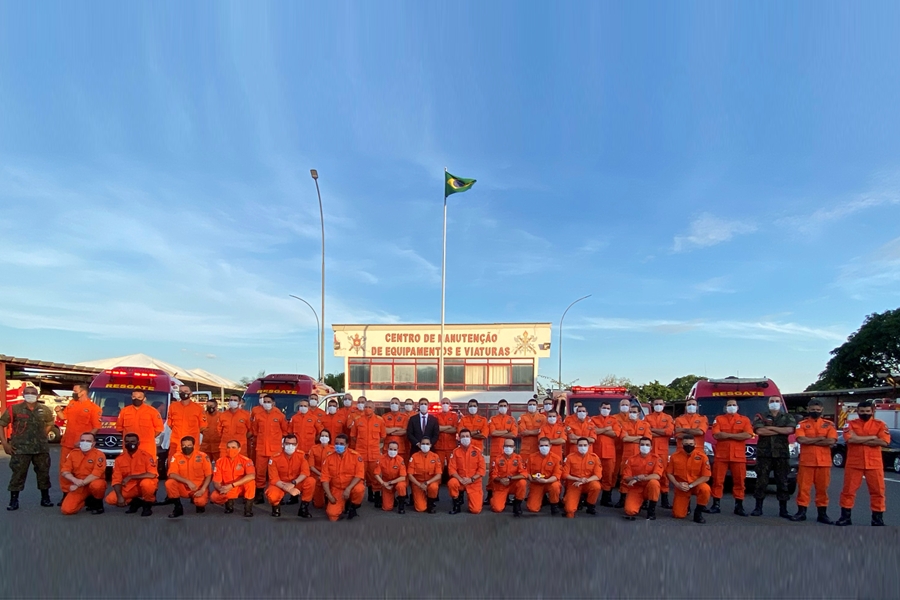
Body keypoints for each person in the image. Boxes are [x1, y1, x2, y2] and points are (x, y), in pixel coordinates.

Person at [1, 385, 56, 510]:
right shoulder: (14, 409)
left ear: (38, 395)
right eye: (28, 392)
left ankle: (45, 498)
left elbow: (50, 423)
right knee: (18, 474)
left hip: (41, 449)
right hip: (20, 449)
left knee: (43, 474)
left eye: (33, 393)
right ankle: (14, 501)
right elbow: (2, 424)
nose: (30, 395)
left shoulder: (44, 409)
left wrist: (42, 435)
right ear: (23, 395)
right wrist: (5, 443)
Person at [837, 400, 890, 526]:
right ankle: (845, 517)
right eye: (862, 411)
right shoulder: (850, 424)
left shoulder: (880, 424)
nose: (864, 413)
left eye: (867, 411)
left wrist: (858, 439)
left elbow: (884, 442)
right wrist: (873, 437)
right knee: (848, 491)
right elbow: (849, 439)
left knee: (878, 492)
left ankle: (877, 519)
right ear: (857, 412)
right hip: (854, 463)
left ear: (872, 411)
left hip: (874, 463)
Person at [791, 399, 838, 524]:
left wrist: (811, 439)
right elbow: (801, 439)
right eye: (813, 410)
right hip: (807, 462)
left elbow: (831, 441)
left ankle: (822, 514)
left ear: (822, 410)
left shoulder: (829, 424)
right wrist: (821, 439)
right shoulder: (802, 424)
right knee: (803, 489)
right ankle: (801, 512)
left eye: (817, 410)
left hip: (824, 462)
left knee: (822, 489)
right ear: (808, 409)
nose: (815, 412)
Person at [55, 384, 101, 506]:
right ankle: (66, 494)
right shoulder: (72, 403)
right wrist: (58, 411)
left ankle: (87, 496)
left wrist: (84, 441)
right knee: (64, 470)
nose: (73, 393)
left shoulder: (93, 408)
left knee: (84, 470)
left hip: (83, 446)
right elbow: (64, 417)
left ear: (83, 392)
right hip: (67, 444)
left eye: (75, 391)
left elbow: (96, 427)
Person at [751, 396, 797, 518]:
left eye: (777, 401)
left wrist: (770, 428)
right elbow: (760, 431)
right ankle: (758, 508)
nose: (775, 403)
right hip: (764, 454)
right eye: (772, 401)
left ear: (781, 403)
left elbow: (790, 430)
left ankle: (784, 510)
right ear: (768, 403)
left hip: (781, 454)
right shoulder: (760, 416)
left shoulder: (787, 416)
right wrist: (780, 430)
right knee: (761, 481)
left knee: (783, 481)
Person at [709, 399, 754, 516]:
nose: (732, 407)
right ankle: (716, 504)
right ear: (726, 407)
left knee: (740, 482)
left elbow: (748, 434)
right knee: (717, 481)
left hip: (738, 456)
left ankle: (739, 506)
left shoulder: (744, 419)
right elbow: (716, 434)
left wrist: (727, 435)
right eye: (729, 405)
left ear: (737, 407)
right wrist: (737, 436)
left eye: (734, 405)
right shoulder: (719, 419)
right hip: (721, 455)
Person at [105, 433, 158, 516]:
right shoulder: (119, 459)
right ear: (124, 443)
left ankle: (147, 505)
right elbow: (116, 479)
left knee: (147, 484)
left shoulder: (146, 456)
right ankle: (136, 502)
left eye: (133, 441)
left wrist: (130, 477)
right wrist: (120, 497)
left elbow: (152, 474)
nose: (130, 444)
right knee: (110, 499)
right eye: (127, 442)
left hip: (143, 485)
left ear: (138, 443)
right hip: (129, 487)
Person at [250, 394, 288, 503]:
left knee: (276, 473)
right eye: (264, 401)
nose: (266, 403)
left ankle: (278, 494)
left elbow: (285, 430)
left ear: (273, 403)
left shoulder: (280, 415)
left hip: (275, 450)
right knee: (260, 472)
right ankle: (259, 494)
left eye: (268, 402)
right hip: (261, 449)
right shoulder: (258, 415)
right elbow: (255, 430)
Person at [266, 434, 315, 518]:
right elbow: (273, 478)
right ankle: (276, 508)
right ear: (283, 444)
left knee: (311, 481)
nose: (290, 446)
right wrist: (288, 488)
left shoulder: (301, 455)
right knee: (272, 494)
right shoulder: (274, 457)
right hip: (280, 484)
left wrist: (294, 483)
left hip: (295, 482)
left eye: (293, 444)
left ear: (297, 445)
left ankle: (303, 508)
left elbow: (305, 472)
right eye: (287, 443)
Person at [164, 435, 212, 518]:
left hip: (198, 487)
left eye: (189, 445)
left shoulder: (203, 456)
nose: (186, 448)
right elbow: (171, 474)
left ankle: (199, 504)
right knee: (169, 483)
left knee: (200, 502)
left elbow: (209, 474)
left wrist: (203, 489)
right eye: (184, 446)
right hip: (183, 486)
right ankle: (178, 507)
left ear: (194, 445)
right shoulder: (176, 456)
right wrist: (187, 481)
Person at [59, 432, 107, 516]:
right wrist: (74, 480)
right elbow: (65, 471)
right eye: (82, 440)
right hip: (79, 483)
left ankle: (98, 504)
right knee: (66, 510)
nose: (85, 443)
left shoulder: (99, 455)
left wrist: (78, 484)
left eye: (88, 441)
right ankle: (86, 501)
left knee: (98, 485)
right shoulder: (73, 454)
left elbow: (96, 474)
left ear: (94, 443)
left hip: (91, 482)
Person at [320, 433, 365, 521]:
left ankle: (353, 506)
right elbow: (324, 478)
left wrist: (348, 489)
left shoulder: (356, 456)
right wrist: (329, 496)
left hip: (351, 487)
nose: (338, 446)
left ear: (347, 445)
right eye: (336, 443)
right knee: (332, 516)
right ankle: (342, 505)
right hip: (337, 488)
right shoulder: (329, 458)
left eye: (341, 444)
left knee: (359, 489)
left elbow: (359, 475)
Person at [666, 438, 711, 524]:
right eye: (686, 444)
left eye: (691, 444)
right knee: (678, 515)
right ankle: (687, 504)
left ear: (695, 445)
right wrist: (677, 484)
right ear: (682, 445)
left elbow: (706, 476)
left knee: (705, 489)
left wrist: (691, 485)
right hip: (681, 486)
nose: (688, 446)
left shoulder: (702, 457)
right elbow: (669, 473)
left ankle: (698, 512)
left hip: (696, 484)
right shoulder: (674, 456)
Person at [350, 398, 386, 506]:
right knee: (360, 475)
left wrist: (373, 444)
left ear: (374, 409)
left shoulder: (380, 421)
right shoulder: (357, 420)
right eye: (366, 407)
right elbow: (353, 436)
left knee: (375, 475)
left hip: (374, 453)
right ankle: (357, 498)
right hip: (360, 453)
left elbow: (383, 437)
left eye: (370, 407)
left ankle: (375, 495)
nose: (367, 409)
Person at [615, 404, 652, 508]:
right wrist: (640, 438)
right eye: (630, 412)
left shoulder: (645, 425)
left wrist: (632, 438)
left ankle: (644, 501)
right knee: (624, 476)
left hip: (642, 455)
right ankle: (622, 499)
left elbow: (647, 439)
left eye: (634, 412)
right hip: (627, 455)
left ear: (639, 413)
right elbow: (624, 439)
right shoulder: (625, 425)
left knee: (643, 476)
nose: (631, 414)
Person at [621, 437, 664, 520]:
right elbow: (626, 477)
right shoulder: (631, 459)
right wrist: (636, 478)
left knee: (654, 483)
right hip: (636, 488)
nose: (645, 447)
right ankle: (640, 503)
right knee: (630, 511)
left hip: (649, 487)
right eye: (642, 444)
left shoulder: (656, 459)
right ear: (638, 446)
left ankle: (651, 510)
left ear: (651, 447)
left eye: (647, 445)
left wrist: (639, 478)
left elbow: (657, 475)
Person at [210, 439, 256, 517]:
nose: (230, 450)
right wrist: (221, 489)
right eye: (228, 447)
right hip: (227, 488)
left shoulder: (246, 460)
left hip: (240, 487)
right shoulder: (220, 462)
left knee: (251, 483)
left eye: (233, 447)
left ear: (239, 449)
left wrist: (232, 485)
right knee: (214, 497)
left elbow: (252, 475)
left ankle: (248, 509)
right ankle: (228, 504)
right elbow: (216, 480)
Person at [486, 399, 518, 505]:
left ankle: (507, 495)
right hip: (496, 450)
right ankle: (490, 494)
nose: (502, 407)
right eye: (501, 405)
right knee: (493, 472)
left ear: (507, 407)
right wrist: (506, 431)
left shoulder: (511, 419)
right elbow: (492, 432)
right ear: (497, 407)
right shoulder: (493, 419)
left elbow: (514, 434)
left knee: (508, 471)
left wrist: (500, 433)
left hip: (508, 450)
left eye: (504, 405)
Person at [115, 390, 164, 459]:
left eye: (139, 397)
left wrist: (148, 437)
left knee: (148, 468)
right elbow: (119, 428)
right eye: (134, 397)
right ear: (131, 397)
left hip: (147, 448)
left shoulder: (152, 412)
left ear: (144, 399)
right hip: (129, 447)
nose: (136, 399)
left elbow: (159, 428)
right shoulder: (124, 411)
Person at [644, 398, 674, 509]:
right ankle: (646, 500)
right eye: (656, 404)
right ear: (652, 405)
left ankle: (664, 500)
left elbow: (669, 432)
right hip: (649, 451)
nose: (658, 405)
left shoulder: (668, 418)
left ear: (664, 404)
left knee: (664, 475)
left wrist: (653, 430)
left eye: (660, 404)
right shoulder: (648, 417)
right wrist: (661, 431)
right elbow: (646, 433)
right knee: (648, 473)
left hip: (662, 452)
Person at [167, 386, 207, 468]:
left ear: (191, 393)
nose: (183, 393)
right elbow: (170, 424)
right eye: (181, 391)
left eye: (185, 391)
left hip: (191, 443)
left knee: (193, 465)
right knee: (173, 465)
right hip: (176, 442)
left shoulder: (198, 408)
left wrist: (192, 432)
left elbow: (203, 426)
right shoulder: (173, 407)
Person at [447, 429, 486, 515]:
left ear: (471, 438)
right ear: (459, 438)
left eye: (467, 436)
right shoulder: (455, 452)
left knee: (476, 510)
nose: (465, 438)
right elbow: (451, 469)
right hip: (460, 481)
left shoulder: (477, 451)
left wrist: (471, 479)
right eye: (463, 436)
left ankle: (469, 498)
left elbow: (482, 469)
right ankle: (456, 504)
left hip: (473, 482)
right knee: (452, 483)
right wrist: (460, 479)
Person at [561, 437, 602, 518]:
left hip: (588, 482)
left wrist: (585, 480)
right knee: (569, 512)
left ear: (589, 446)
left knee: (596, 486)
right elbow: (564, 474)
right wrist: (578, 479)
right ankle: (574, 501)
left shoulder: (594, 458)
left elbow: (598, 475)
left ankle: (590, 506)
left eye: (585, 445)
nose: (582, 447)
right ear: (576, 446)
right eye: (580, 445)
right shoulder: (570, 457)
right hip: (574, 484)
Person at [590, 402, 622, 506]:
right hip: (595, 452)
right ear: (600, 408)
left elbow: (615, 433)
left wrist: (600, 431)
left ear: (610, 409)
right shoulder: (593, 419)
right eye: (604, 407)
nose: (606, 409)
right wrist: (606, 429)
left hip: (609, 453)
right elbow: (592, 431)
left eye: (608, 408)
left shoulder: (614, 420)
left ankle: (606, 498)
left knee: (608, 476)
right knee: (592, 474)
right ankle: (589, 498)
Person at [489, 439, 527, 516]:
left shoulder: (518, 458)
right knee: (497, 508)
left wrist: (510, 478)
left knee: (522, 482)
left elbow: (524, 474)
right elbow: (493, 475)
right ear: (503, 447)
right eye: (506, 446)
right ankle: (497, 498)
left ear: (514, 447)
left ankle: (517, 504)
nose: (508, 448)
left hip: (513, 483)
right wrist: (500, 480)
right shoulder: (497, 459)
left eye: (510, 446)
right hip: (501, 485)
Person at [526, 437, 562, 516]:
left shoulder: (556, 458)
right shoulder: (531, 457)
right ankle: (542, 499)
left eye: (546, 445)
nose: (544, 448)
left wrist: (546, 481)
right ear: (538, 446)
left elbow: (557, 476)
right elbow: (526, 472)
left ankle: (554, 505)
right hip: (536, 483)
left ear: (550, 446)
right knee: (532, 508)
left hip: (549, 482)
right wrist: (531, 478)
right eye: (542, 446)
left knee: (555, 486)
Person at [407, 436, 442, 513]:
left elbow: (438, 475)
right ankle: (418, 497)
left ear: (430, 445)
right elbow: (410, 475)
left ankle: (431, 503)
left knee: (433, 487)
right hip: (418, 483)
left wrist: (426, 483)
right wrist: (420, 485)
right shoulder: (414, 456)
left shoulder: (435, 456)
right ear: (420, 445)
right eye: (423, 443)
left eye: (427, 444)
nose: (425, 445)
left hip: (430, 482)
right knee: (420, 509)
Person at [374, 440, 408, 514]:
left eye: (395, 449)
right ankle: (392, 499)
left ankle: (401, 506)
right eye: (391, 449)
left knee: (401, 486)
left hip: (397, 481)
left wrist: (390, 482)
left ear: (398, 450)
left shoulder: (400, 460)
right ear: (387, 449)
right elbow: (376, 474)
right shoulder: (381, 459)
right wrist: (384, 483)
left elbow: (403, 477)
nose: (392, 451)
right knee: (387, 508)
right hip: (386, 482)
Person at [307, 429, 334, 509]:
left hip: (330, 476)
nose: (324, 437)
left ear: (329, 438)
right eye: (322, 436)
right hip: (317, 475)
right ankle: (316, 497)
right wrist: (321, 475)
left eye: (326, 436)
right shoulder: (313, 449)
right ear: (319, 437)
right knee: (318, 505)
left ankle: (328, 496)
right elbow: (311, 466)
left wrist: (326, 476)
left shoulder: (333, 449)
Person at [435, 398, 459, 471]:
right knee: (438, 466)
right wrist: (449, 427)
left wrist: (442, 429)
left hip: (451, 447)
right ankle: (438, 482)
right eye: (443, 403)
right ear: (441, 405)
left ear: (450, 405)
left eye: (447, 403)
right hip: (439, 446)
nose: (445, 404)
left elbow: (455, 429)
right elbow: (436, 429)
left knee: (452, 466)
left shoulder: (454, 416)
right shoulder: (436, 416)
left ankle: (451, 481)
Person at [199, 397, 222, 462]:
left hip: (218, 446)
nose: (209, 407)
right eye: (208, 405)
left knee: (219, 464)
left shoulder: (221, 416)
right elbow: (199, 428)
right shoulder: (203, 416)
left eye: (211, 406)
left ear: (216, 406)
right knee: (204, 464)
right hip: (205, 446)